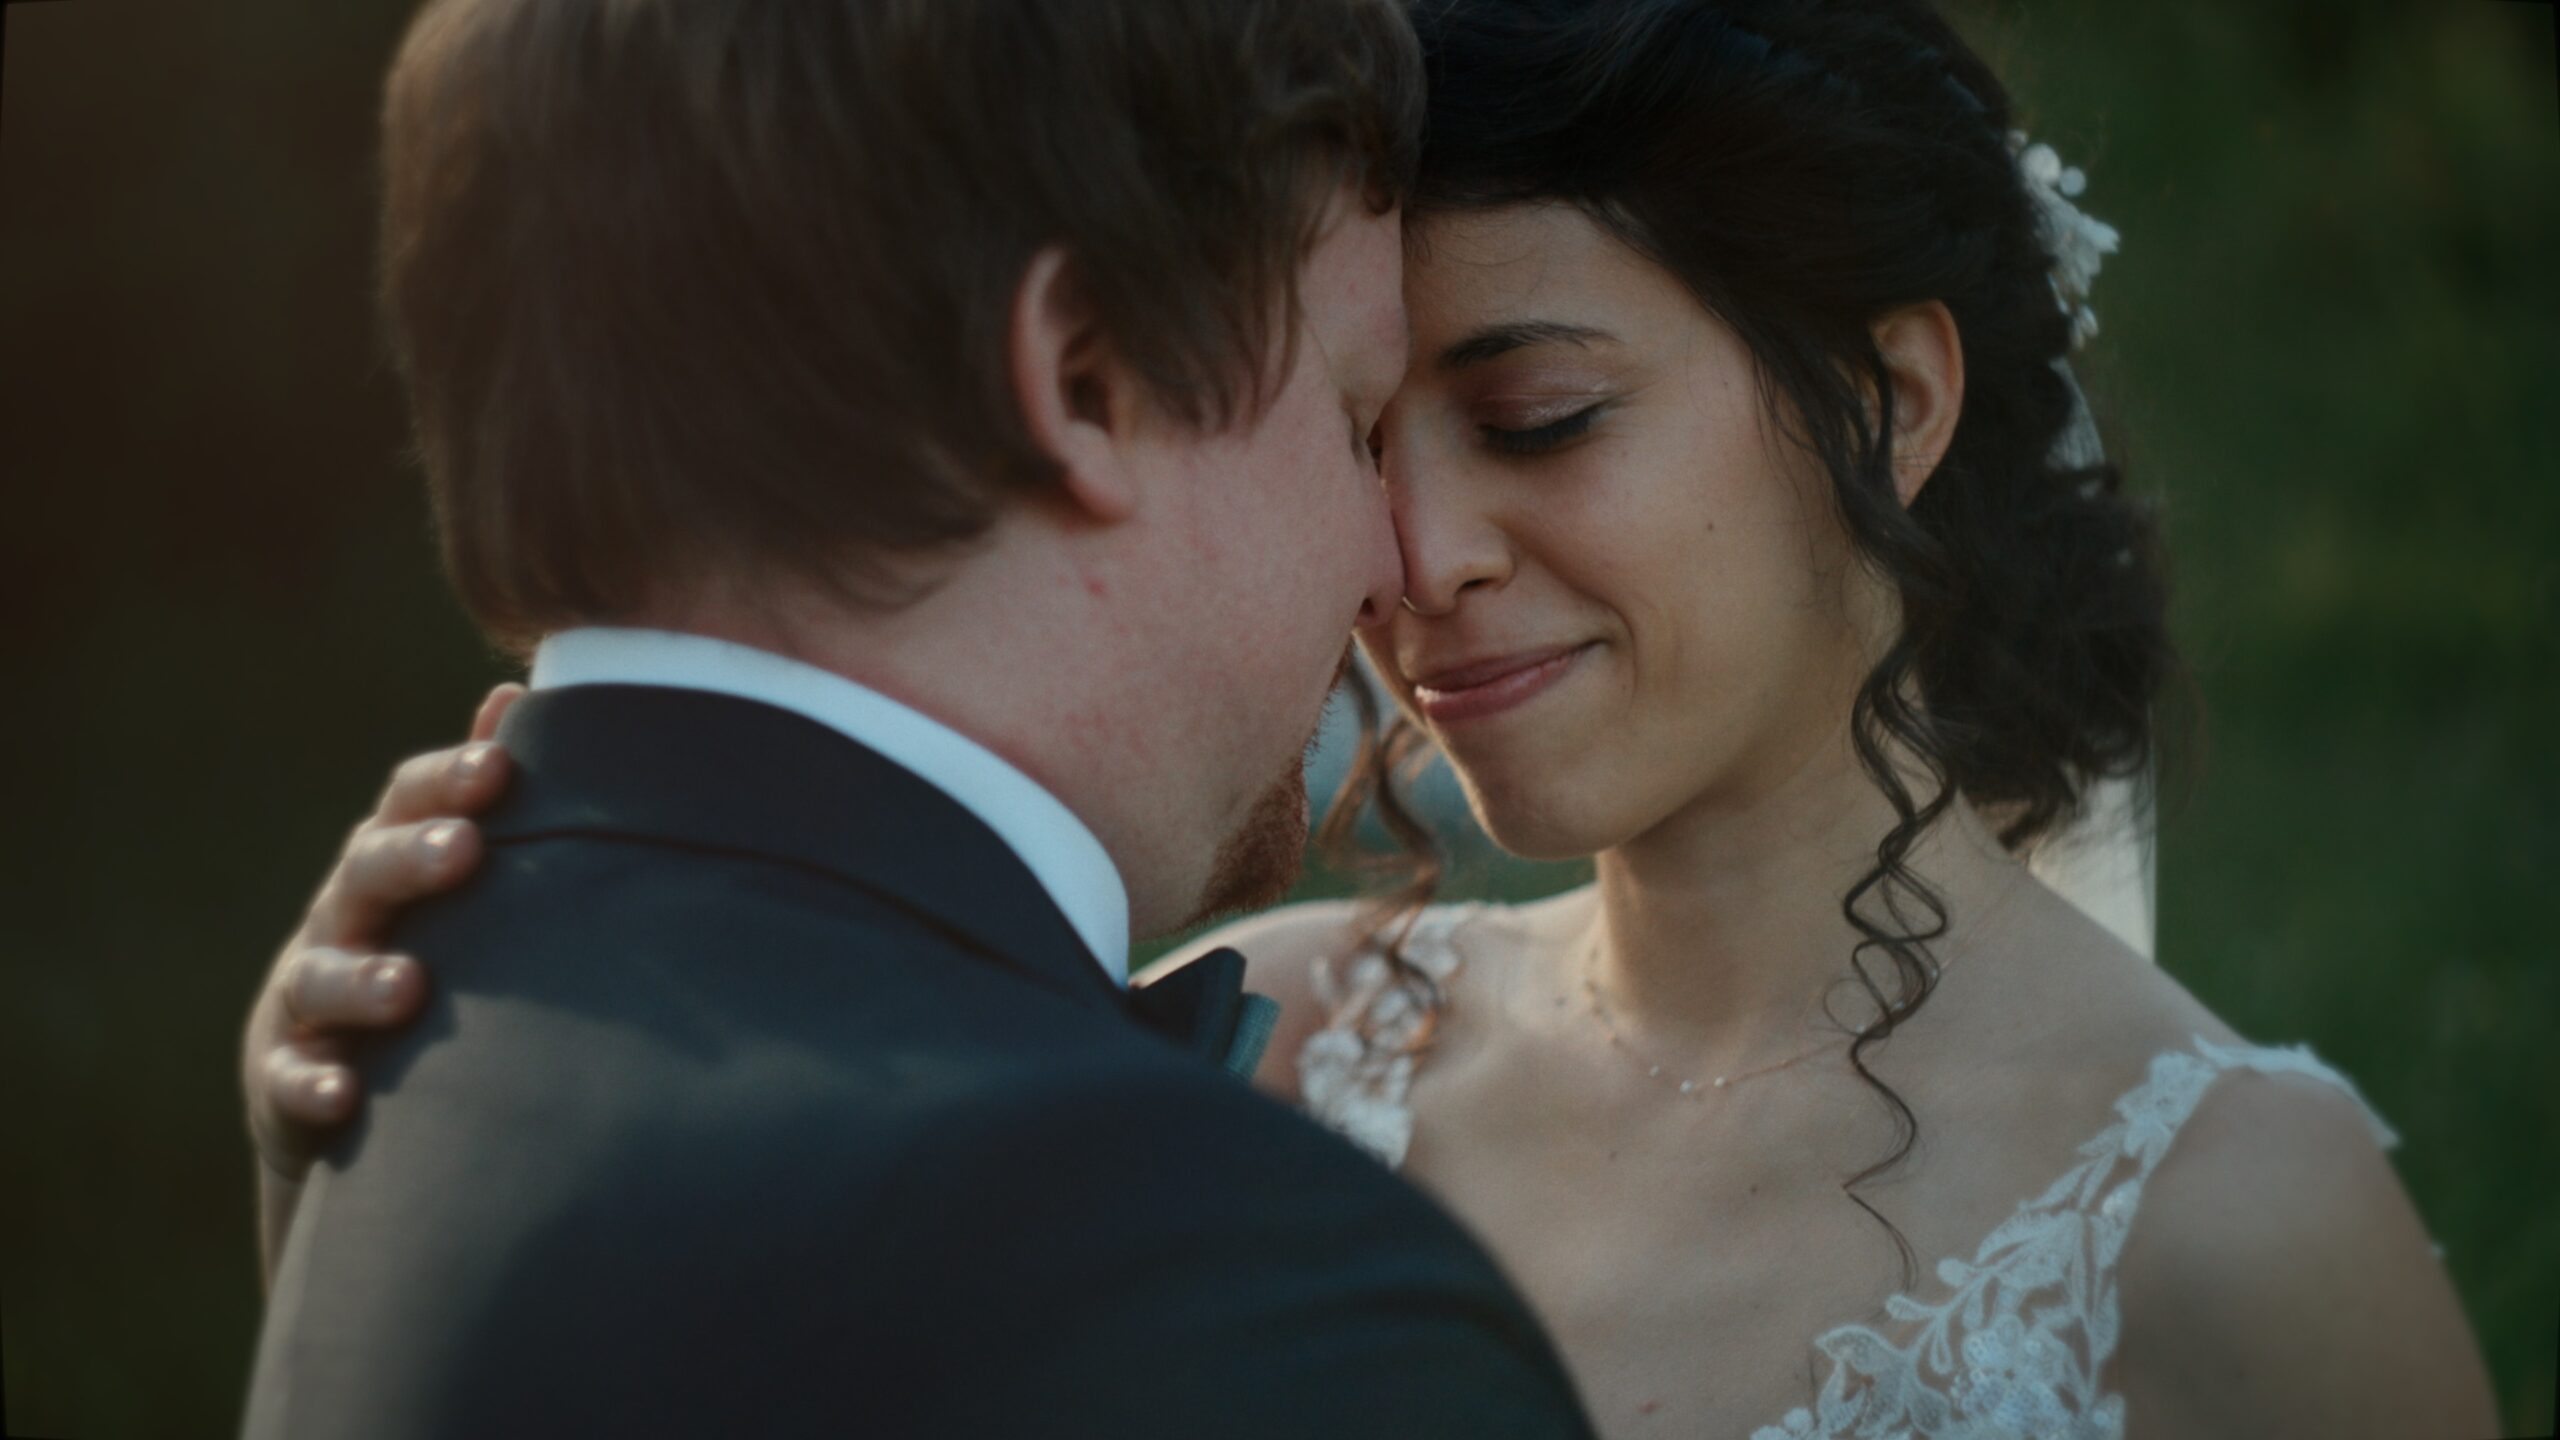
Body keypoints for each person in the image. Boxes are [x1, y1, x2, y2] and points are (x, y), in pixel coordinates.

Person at [247, 2, 2502, 1438]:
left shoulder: (2237, 1229)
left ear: (1890, 402)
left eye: (1529, 413)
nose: (1406, 552)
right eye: (1358, 425)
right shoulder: (1237, 1042)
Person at [236, 0, 1603, 1436]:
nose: (1393, 567)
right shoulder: (1216, 1282)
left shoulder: (392, 1050)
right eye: (1352, 417)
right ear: (1085, 381)